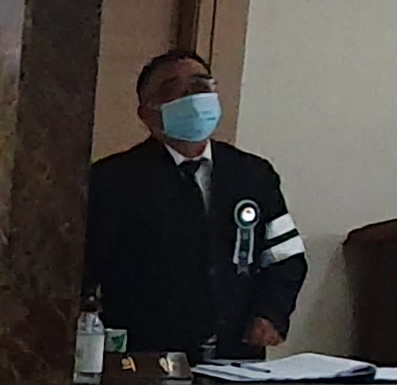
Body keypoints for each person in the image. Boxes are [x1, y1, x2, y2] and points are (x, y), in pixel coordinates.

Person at [83, 45, 304, 361]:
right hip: (144, 358)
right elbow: (85, 272)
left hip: (236, 357)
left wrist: (270, 313)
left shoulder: (253, 175)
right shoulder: (112, 181)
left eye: (200, 86)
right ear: (147, 113)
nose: (192, 98)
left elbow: (285, 256)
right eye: (173, 90)